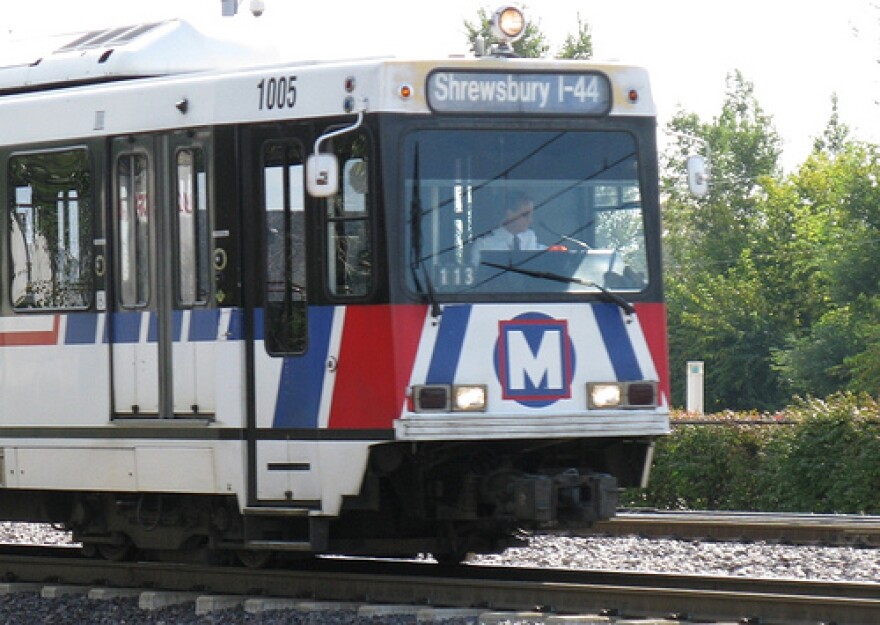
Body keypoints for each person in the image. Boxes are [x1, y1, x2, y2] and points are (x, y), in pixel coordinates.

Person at [471, 193, 546, 261]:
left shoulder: (531, 238)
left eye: (531, 215)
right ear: (509, 214)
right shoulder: (484, 245)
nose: (530, 220)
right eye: (525, 215)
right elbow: (480, 273)